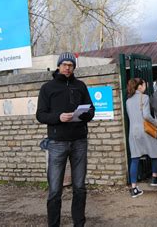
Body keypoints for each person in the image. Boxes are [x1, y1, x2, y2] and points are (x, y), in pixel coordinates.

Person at [36, 52, 95, 227]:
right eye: (64, 64)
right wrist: (58, 117)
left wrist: (84, 115)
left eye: (71, 65)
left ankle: (79, 224)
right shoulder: (47, 88)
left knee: (79, 187)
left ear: (74, 67)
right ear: (58, 66)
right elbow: (40, 115)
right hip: (57, 143)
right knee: (55, 190)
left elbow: (92, 110)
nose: (67, 67)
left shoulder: (80, 86)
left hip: (79, 141)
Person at [126, 78, 157, 198]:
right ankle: (154, 178)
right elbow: (147, 116)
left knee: (135, 158)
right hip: (145, 130)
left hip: (133, 132)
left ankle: (133, 188)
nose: (146, 86)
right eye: (144, 84)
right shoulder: (145, 97)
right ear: (139, 87)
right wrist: (156, 123)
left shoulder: (128, 100)